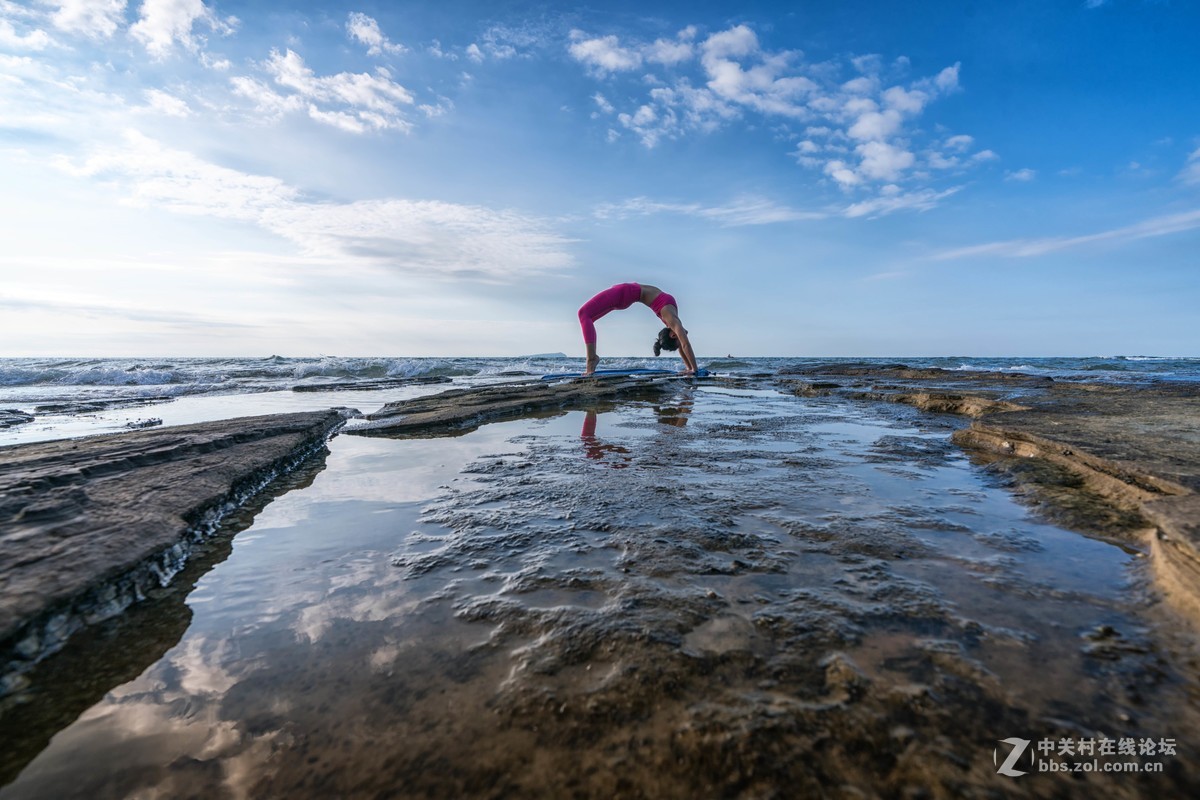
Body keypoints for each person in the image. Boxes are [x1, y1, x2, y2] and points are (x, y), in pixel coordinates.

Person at [577, 282, 698, 376]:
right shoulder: (672, 319)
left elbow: (683, 345)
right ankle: (592, 358)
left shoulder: (671, 319)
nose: (683, 335)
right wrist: (692, 369)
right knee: (587, 316)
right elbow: (684, 345)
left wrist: (691, 368)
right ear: (673, 335)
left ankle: (591, 359)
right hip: (626, 293)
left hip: (624, 293)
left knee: (584, 313)